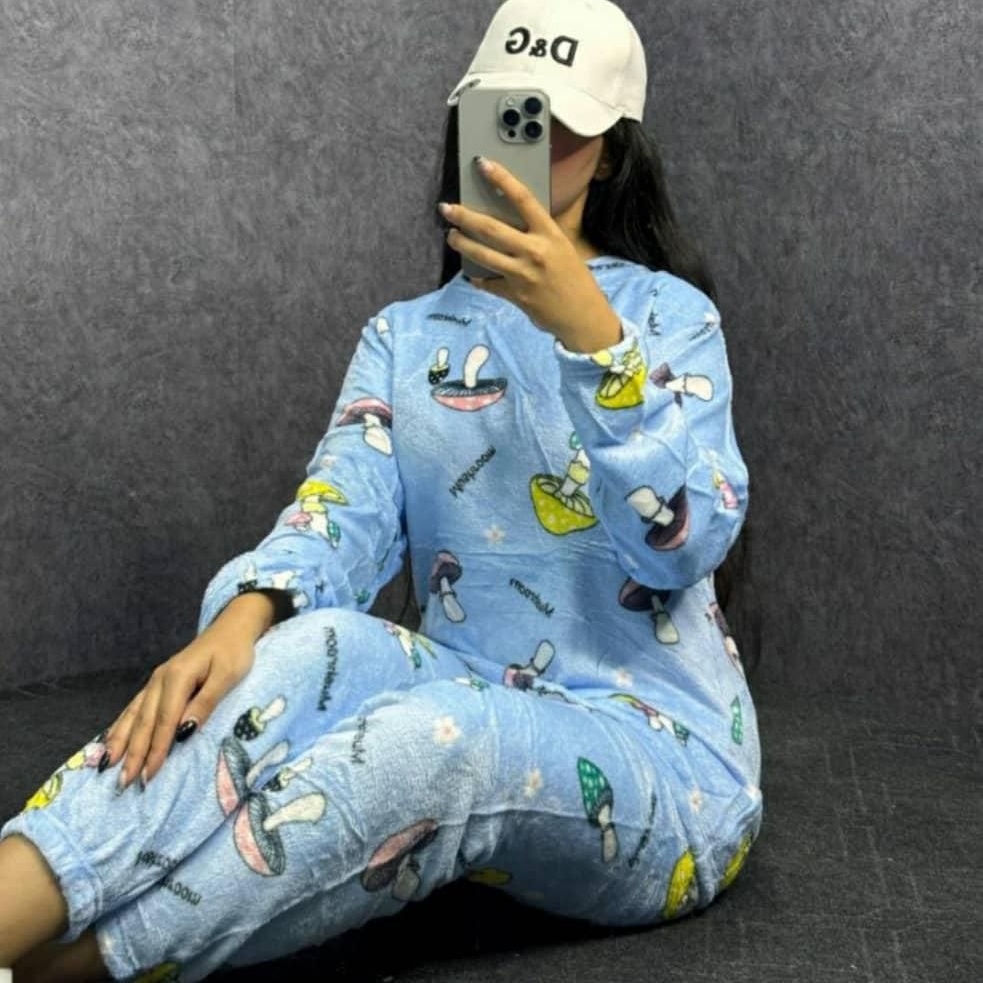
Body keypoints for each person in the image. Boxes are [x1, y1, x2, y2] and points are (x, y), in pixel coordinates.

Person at [0, 1, 763, 980]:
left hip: (663, 763)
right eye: (505, 116)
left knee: (442, 741)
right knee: (286, 650)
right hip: (466, 687)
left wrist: (594, 342)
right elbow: (341, 512)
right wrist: (241, 619)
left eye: (558, 125)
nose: (522, 149)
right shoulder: (406, 337)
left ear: (611, 153)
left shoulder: (667, 319)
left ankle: (64, 972)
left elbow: (682, 544)